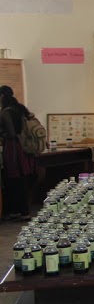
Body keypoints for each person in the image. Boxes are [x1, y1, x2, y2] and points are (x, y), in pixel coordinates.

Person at [0, 86, 37, 220]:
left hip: (13, 149)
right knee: (21, 180)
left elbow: (11, 133)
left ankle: (20, 212)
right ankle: (21, 211)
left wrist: (1, 134)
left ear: (2, 96)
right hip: (25, 148)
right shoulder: (20, 108)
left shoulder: (5, 112)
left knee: (14, 180)